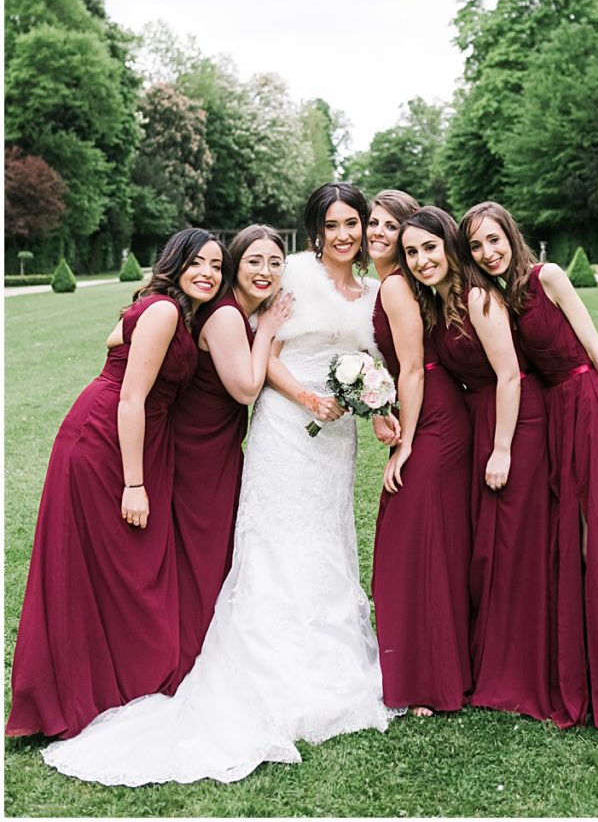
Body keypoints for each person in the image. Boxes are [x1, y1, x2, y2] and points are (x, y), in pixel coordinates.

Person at [41, 183, 395, 786]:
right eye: (333, 224)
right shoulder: (271, 294)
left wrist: (375, 398)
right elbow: (253, 371)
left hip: (329, 442)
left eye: (353, 224)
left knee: (324, 538)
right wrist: (307, 393)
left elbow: (373, 353)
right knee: (268, 542)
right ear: (314, 232)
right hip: (278, 427)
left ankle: (320, 651)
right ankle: (247, 660)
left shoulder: (362, 294)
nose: (345, 234)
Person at [6, 229, 228, 740]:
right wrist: (135, 484)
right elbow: (130, 399)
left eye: (216, 266)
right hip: (108, 440)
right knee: (113, 563)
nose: (208, 273)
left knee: (115, 566)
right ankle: (80, 690)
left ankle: (107, 681)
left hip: (130, 436)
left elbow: (115, 340)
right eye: (197, 262)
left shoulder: (163, 307)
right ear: (175, 262)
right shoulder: (165, 311)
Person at [459, 201, 598, 729]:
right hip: (551, 419)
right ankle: (579, 669)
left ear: (511, 236)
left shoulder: (548, 277)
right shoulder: (494, 298)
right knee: (567, 543)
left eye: (494, 239)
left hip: (587, 406)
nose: (488, 252)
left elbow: (597, 351)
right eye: (477, 246)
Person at [399, 207, 551, 722]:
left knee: (510, 545)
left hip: (514, 423)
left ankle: (523, 670)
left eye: (430, 248)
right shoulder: (438, 304)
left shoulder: (477, 297)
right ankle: (491, 663)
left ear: (449, 246)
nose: (422, 260)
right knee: (489, 549)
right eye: (412, 253)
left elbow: (510, 376)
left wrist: (502, 448)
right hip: (481, 420)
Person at [168, 225, 293, 692]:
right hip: (196, 448)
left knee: (213, 546)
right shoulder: (225, 316)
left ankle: (202, 637)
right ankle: (192, 648)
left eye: (274, 262)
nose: (264, 271)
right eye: (253, 261)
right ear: (236, 266)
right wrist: (270, 332)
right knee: (201, 547)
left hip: (218, 445)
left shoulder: (240, 312)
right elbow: (245, 388)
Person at [367, 191, 472, 717]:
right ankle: (428, 664)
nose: (377, 233)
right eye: (373, 223)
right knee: (420, 541)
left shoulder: (393, 285)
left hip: (435, 418)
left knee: (416, 542)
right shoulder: (397, 282)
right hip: (424, 409)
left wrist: (406, 442)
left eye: (391, 226)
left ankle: (430, 678)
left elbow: (412, 366)